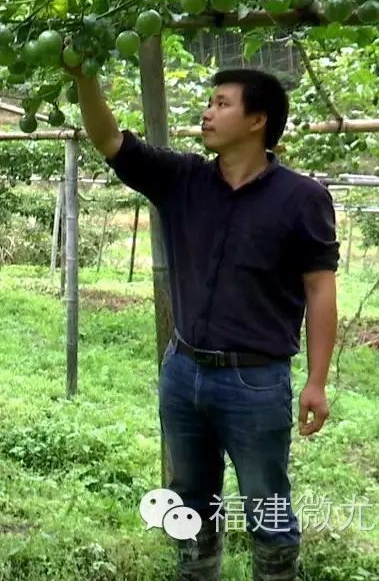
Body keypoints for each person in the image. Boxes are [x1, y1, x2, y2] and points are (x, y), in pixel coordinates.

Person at [71, 67, 339, 580]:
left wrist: (317, 380)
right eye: (209, 102)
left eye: (221, 103)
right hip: (184, 369)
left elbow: (320, 288)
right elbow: (108, 139)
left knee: (268, 510)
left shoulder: (302, 198)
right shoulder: (183, 179)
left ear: (258, 120)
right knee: (191, 504)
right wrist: (85, 78)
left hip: (256, 380)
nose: (207, 112)